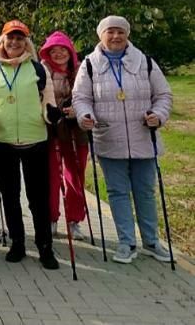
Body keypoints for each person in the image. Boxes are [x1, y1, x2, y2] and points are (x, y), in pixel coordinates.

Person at [73, 15, 173, 264]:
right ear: (101, 35)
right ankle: (126, 242)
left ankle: (151, 241)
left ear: (127, 34)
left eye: (120, 31)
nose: (115, 36)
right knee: (117, 193)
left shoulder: (146, 62)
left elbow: (163, 95)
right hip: (109, 138)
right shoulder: (88, 65)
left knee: (145, 192)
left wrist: (158, 115)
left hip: (143, 138)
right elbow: (80, 98)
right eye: (110, 32)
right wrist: (85, 115)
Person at [0, 20, 61, 270]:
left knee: (38, 198)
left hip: (34, 139)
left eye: (19, 38)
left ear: (26, 42)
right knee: (10, 196)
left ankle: (45, 246)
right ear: (2, 41)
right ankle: (17, 243)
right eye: (10, 38)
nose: (14, 42)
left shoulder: (38, 68)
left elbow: (48, 101)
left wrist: (51, 115)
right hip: (3, 140)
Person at [39, 30, 88, 241]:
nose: (58, 54)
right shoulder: (42, 70)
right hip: (49, 129)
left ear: (70, 52)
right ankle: (51, 217)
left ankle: (74, 219)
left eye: (63, 50)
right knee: (50, 175)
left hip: (75, 130)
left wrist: (77, 109)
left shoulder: (80, 71)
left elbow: (88, 97)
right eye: (54, 50)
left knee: (75, 175)